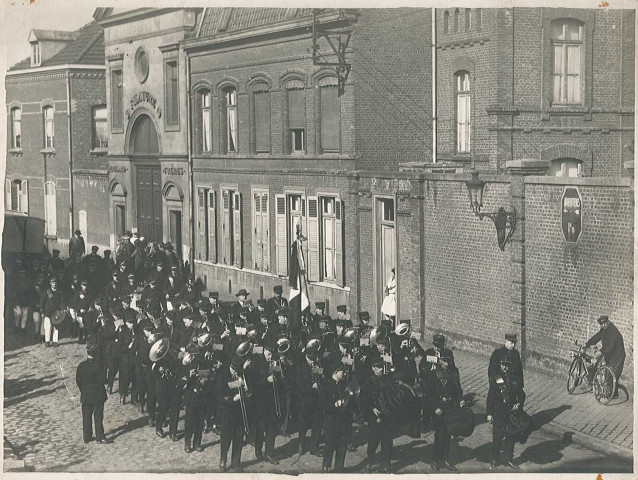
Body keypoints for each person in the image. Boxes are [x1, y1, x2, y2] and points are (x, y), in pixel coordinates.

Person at [424, 351, 464, 471]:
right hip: (438, 409)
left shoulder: (454, 372)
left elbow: (458, 389)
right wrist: (435, 407)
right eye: (445, 361)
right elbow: (428, 394)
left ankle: (445, 460)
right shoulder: (433, 374)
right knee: (440, 434)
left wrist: (461, 399)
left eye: (449, 361)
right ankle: (436, 460)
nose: (447, 364)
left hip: (450, 407)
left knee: (448, 434)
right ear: (440, 361)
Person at [486, 358, 525, 469]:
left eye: (507, 365)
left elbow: (521, 394)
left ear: (510, 366)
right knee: (497, 437)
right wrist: (489, 413)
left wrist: (519, 404)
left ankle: (508, 459)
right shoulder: (496, 379)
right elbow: (490, 398)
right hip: (498, 412)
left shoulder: (515, 379)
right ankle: (494, 459)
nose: (504, 367)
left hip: (511, 412)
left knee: (510, 436)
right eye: (503, 365)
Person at [361, 351, 394, 473]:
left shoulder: (387, 379)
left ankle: (385, 464)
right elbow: (363, 399)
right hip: (374, 415)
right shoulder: (368, 382)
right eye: (378, 367)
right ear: (373, 368)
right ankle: (370, 461)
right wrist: (372, 408)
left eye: (382, 367)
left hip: (387, 414)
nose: (381, 369)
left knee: (387, 440)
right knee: (373, 439)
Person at [216, 355, 250, 472]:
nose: (238, 373)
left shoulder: (240, 375)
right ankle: (223, 460)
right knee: (226, 438)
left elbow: (247, 390)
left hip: (239, 412)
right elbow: (219, 395)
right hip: (227, 412)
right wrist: (232, 398)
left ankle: (236, 462)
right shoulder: (223, 375)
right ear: (233, 368)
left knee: (238, 437)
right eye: (237, 371)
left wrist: (243, 382)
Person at [320, 362, 355, 473]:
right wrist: (334, 405)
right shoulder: (326, 385)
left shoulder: (345, 384)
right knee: (329, 445)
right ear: (335, 372)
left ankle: (339, 469)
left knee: (342, 447)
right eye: (342, 372)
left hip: (343, 422)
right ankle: (326, 467)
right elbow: (322, 404)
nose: (344, 373)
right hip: (331, 422)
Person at [76, 344, 112, 444]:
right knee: (98, 416)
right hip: (97, 394)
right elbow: (103, 379)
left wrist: (83, 390)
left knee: (86, 416)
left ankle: (87, 437)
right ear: (96, 353)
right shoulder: (98, 365)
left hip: (86, 395)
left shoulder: (81, 366)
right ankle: (99, 437)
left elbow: (78, 380)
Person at [585, 315, 626, 398]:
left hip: (618, 356)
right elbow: (597, 337)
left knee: (612, 374)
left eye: (604, 323)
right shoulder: (604, 329)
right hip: (610, 354)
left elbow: (610, 345)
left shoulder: (613, 331)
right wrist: (587, 343)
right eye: (601, 324)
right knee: (607, 372)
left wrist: (601, 351)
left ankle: (613, 394)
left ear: (608, 322)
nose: (603, 325)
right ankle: (611, 393)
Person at [41, 277, 66, 347]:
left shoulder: (59, 291)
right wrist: (42, 312)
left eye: (55, 282)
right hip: (47, 312)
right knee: (48, 327)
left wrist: (63, 308)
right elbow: (42, 302)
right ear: (50, 283)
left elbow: (62, 301)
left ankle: (55, 341)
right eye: (52, 283)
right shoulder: (47, 292)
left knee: (56, 327)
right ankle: (47, 341)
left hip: (56, 312)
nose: (54, 284)